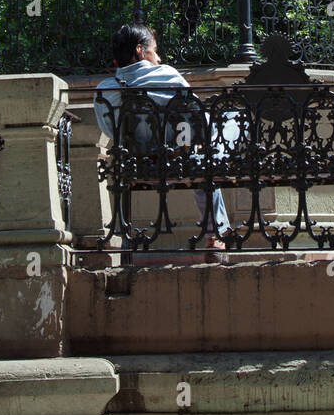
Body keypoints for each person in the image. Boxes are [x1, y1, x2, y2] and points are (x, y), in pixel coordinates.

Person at [94, 22, 232, 247]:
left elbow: (110, 130)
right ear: (140, 50)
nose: (158, 57)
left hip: (136, 165)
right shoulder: (168, 75)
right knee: (218, 135)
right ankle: (216, 233)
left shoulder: (105, 91)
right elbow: (199, 121)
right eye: (155, 50)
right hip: (181, 162)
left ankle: (128, 242)